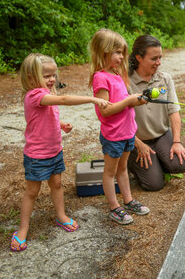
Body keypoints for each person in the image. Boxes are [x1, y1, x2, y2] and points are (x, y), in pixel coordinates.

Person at [11, 53, 112, 252]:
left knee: (56, 184)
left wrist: (60, 124)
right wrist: (93, 99)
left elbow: (42, 118)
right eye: (46, 75)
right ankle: (23, 228)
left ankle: (61, 215)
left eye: (54, 75)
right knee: (32, 191)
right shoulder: (35, 95)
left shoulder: (46, 94)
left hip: (54, 151)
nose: (52, 79)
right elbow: (64, 99)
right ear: (31, 77)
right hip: (37, 155)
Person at [89, 28, 150, 225]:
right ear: (103, 52)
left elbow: (122, 100)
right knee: (110, 171)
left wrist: (135, 101)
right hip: (113, 134)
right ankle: (114, 207)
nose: (121, 56)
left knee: (123, 169)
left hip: (127, 132)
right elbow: (105, 110)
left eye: (122, 52)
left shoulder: (116, 73)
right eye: (117, 52)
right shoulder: (100, 77)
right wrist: (129, 101)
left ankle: (128, 200)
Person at [128, 35, 185, 191]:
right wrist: (138, 144)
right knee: (154, 184)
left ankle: (157, 161)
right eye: (154, 58)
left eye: (160, 58)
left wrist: (176, 142)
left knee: (181, 163)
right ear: (139, 57)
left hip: (161, 135)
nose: (159, 63)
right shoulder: (125, 81)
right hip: (136, 140)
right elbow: (120, 121)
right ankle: (131, 162)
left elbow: (174, 112)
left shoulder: (165, 79)